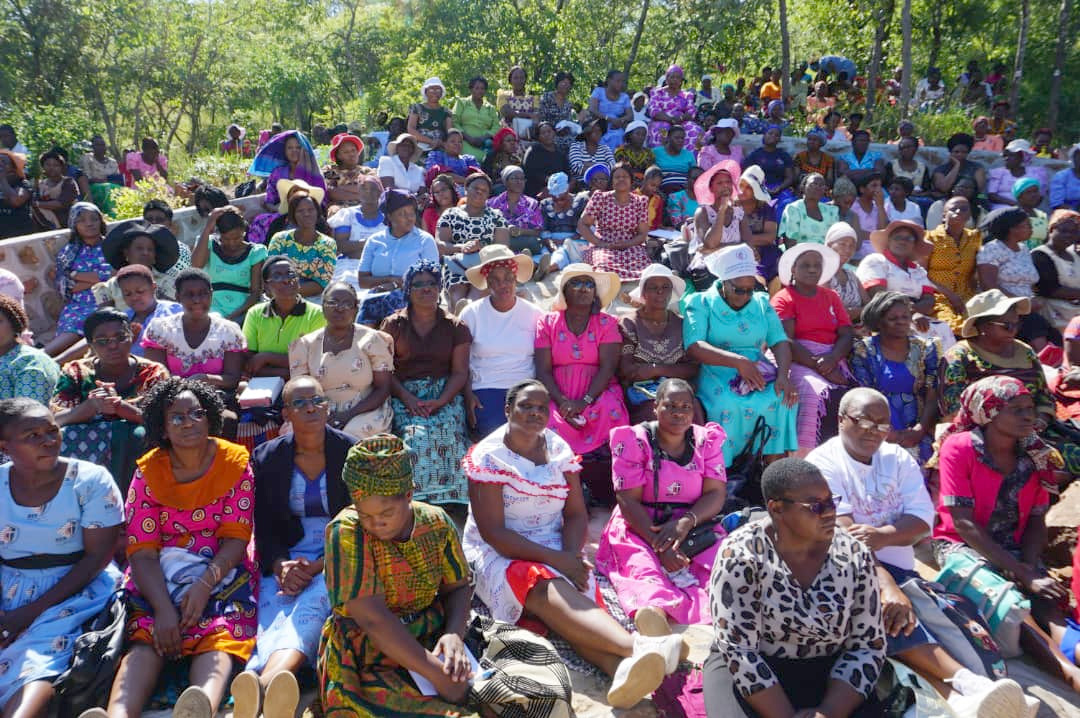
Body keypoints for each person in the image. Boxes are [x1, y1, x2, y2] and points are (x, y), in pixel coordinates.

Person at [463, 379, 685, 708]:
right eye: (526, 406)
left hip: (555, 543)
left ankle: (621, 670)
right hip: (497, 551)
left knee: (573, 604)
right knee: (542, 583)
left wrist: (568, 556)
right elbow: (495, 533)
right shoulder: (490, 457)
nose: (535, 413)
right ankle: (638, 646)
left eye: (542, 408)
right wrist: (558, 561)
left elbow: (576, 515)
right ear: (508, 409)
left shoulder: (558, 450)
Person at [808, 389, 1031, 715]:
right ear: (841, 419)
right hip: (843, 571)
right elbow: (845, 539)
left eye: (883, 425)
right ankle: (965, 682)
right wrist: (886, 586)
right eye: (864, 421)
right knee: (877, 607)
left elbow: (922, 522)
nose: (874, 431)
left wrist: (881, 536)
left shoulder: (898, 458)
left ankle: (957, 697)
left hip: (901, 571)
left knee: (909, 616)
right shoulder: (821, 464)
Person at [98, 377, 258, 718]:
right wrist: (163, 609)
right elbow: (141, 549)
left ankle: (200, 708)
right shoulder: (148, 472)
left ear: (210, 417)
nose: (189, 423)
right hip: (157, 572)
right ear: (162, 427)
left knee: (218, 637)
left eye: (197, 413)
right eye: (177, 417)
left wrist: (203, 586)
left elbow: (236, 538)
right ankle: (117, 714)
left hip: (219, 569)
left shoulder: (234, 463)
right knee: (147, 638)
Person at [702, 458, 886, 718]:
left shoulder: (854, 553)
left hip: (831, 673)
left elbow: (867, 646)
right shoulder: (740, 555)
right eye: (815, 506)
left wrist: (829, 712)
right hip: (752, 669)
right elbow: (738, 650)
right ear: (776, 509)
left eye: (831, 501)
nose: (830, 512)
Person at [930, 376, 1080, 693]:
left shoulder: (1035, 452)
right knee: (1012, 606)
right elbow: (963, 524)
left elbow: (1038, 518)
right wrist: (1022, 573)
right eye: (1017, 410)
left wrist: (1029, 568)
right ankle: (1070, 676)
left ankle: (1073, 651)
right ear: (989, 413)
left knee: (1048, 603)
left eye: (1030, 408)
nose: (1030, 416)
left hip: (1016, 547)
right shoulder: (960, 448)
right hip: (962, 545)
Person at [231, 377, 355, 718]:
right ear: (286, 413)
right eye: (299, 403)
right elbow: (265, 521)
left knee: (315, 601)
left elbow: (361, 520)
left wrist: (318, 566)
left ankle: (265, 682)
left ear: (327, 405)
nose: (310, 408)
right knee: (276, 606)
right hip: (289, 551)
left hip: (340, 548)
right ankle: (265, 684)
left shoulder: (350, 451)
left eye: (316, 400)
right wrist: (280, 564)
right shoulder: (268, 456)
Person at [0, 398, 122, 718]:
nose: (48, 440)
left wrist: (30, 612)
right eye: (33, 436)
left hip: (74, 587)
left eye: (52, 431)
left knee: (35, 661)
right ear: (5, 446)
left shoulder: (90, 481)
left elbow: (97, 557)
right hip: (7, 585)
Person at [595, 377, 725, 627]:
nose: (679, 414)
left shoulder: (706, 441)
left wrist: (685, 523)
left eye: (685, 407)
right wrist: (662, 548)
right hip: (640, 525)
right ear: (655, 407)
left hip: (692, 523)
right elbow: (627, 501)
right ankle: (656, 624)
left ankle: (719, 621)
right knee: (645, 575)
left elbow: (716, 493)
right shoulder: (633, 440)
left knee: (719, 571)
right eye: (670, 406)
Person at [684, 244, 798, 462]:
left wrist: (783, 375)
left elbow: (780, 341)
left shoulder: (762, 302)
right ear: (724, 283)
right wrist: (737, 362)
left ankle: (769, 468)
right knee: (727, 404)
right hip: (717, 368)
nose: (746, 295)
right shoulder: (700, 303)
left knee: (783, 396)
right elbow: (694, 345)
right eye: (739, 290)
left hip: (758, 370)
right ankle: (723, 471)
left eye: (750, 289)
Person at [380, 261, 472, 511]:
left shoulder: (455, 327)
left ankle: (453, 500)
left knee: (449, 431)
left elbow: (460, 372)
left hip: (444, 393)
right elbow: (386, 371)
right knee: (414, 438)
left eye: (432, 283)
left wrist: (440, 401)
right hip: (404, 393)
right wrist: (408, 398)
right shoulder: (394, 325)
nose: (426, 289)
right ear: (408, 290)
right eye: (418, 284)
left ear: (440, 287)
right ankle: (418, 501)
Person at [51, 308, 168, 492]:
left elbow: (161, 420)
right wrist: (92, 406)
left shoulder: (152, 372)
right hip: (86, 442)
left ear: (133, 336)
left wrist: (118, 406)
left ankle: (133, 500)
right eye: (102, 341)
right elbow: (56, 419)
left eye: (120, 337)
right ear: (90, 345)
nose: (113, 346)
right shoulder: (75, 371)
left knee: (139, 435)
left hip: (135, 443)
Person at [533, 265, 629, 458]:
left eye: (589, 284)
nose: (584, 288)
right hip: (558, 394)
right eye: (576, 283)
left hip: (597, 391)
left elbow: (608, 368)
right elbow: (543, 370)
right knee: (547, 418)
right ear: (565, 291)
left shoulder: (607, 323)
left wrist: (584, 401)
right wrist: (563, 402)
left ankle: (605, 468)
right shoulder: (547, 323)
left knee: (610, 408)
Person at [771, 243, 853, 454]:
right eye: (805, 265)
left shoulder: (831, 296)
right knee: (817, 393)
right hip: (797, 358)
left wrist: (832, 359)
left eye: (817, 265)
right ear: (793, 269)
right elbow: (785, 341)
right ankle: (806, 455)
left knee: (854, 395)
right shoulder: (784, 298)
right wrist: (820, 366)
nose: (812, 269)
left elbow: (846, 333)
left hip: (831, 357)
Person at [289, 282, 393, 439]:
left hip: (364, 410)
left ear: (356, 309)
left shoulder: (372, 340)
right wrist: (323, 415)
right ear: (323, 307)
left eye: (347, 303)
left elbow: (383, 388)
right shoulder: (306, 345)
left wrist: (347, 415)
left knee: (350, 436)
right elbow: (299, 392)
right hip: (317, 411)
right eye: (332, 302)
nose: (339, 308)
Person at [459, 246, 544, 437]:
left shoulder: (535, 314)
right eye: (495, 280)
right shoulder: (471, 313)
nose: (503, 285)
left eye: (508, 278)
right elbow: (461, 362)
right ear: (488, 283)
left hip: (525, 386)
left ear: (516, 280)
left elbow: (543, 361)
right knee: (494, 436)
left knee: (527, 436)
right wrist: (467, 395)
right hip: (485, 387)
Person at [849, 292, 939, 462]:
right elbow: (864, 395)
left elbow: (932, 394)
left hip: (919, 426)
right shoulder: (864, 351)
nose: (901, 321)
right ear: (879, 323)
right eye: (893, 318)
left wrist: (920, 430)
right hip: (876, 426)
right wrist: (887, 432)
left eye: (905, 316)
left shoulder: (926, 349)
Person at [856, 219, 954, 350]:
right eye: (898, 237)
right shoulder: (876, 260)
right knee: (917, 333)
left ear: (914, 245)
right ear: (889, 241)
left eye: (909, 238)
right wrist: (910, 314)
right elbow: (878, 295)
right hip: (885, 316)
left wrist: (914, 312)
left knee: (943, 328)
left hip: (914, 315)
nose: (903, 241)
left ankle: (945, 369)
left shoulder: (918, 270)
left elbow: (929, 299)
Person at [142, 268, 247, 391]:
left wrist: (204, 379)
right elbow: (156, 376)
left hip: (217, 399)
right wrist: (183, 386)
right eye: (189, 294)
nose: (197, 300)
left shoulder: (228, 331)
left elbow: (232, 379)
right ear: (177, 297)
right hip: (171, 400)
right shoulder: (160, 329)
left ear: (211, 294)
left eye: (203, 293)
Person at [619, 266, 699, 424]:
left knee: (692, 407)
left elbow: (692, 368)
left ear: (671, 291)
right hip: (641, 394)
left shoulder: (682, 323)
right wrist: (673, 371)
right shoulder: (629, 323)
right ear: (643, 293)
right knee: (657, 411)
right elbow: (626, 370)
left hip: (678, 391)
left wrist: (655, 369)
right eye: (653, 288)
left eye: (665, 287)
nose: (660, 292)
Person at [354, 188, 440, 325]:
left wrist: (398, 285)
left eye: (412, 213)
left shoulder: (425, 240)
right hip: (377, 296)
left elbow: (433, 279)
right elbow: (363, 281)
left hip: (415, 296)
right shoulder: (374, 241)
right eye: (402, 214)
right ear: (389, 216)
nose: (410, 218)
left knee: (394, 308)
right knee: (368, 306)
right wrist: (387, 281)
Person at [44, 203, 113, 358]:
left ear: (100, 221)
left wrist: (74, 274)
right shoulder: (68, 253)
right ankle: (45, 356)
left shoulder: (112, 246)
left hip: (106, 301)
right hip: (77, 305)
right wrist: (96, 277)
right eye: (82, 220)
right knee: (74, 327)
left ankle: (54, 359)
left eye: (94, 219)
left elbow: (113, 276)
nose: (89, 223)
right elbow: (66, 287)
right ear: (74, 224)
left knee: (97, 325)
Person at [242, 256, 326, 380]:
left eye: (290, 274)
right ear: (266, 285)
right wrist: (290, 370)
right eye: (277, 276)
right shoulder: (255, 313)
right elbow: (249, 363)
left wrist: (267, 357)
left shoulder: (316, 314)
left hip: (304, 385)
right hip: (262, 384)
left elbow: (315, 362)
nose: (286, 280)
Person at [436, 172, 511, 310]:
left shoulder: (496, 216)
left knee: (477, 296)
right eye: (475, 188)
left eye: (484, 190)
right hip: (457, 265)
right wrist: (462, 247)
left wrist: (481, 247)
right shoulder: (450, 214)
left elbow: (503, 247)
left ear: (488, 195)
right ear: (466, 189)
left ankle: (468, 314)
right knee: (457, 295)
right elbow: (440, 244)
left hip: (485, 266)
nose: (479, 192)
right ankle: (460, 316)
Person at [247, 130, 326, 245]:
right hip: (281, 211)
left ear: (304, 150)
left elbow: (321, 202)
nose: (294, 151)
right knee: (260, 220)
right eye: (290, 148)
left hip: (307, 212)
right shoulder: (277, 173)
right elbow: (270, 199)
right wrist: (278, 209)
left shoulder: (313, 172)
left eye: (298, 148)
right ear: (285, 151)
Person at [192, 206, 267, 324]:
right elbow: (196, 266)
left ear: (244, 231)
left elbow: (255, 292)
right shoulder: (209, 244)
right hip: (211, 306)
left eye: (237, 238)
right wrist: (207, 229)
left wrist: (233, 317)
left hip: (243, 309)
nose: (232, 243)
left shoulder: (255, 252)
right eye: (226, 239)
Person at [577, 163, 650, 280]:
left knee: (642, 267)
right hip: (604, 244)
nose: (621, 179)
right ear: (612, 181)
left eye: (625, 176)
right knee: (603, 267)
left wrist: (626, 244)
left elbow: (642, 234)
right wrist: (600, 243)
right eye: (617, 177)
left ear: (631, 181)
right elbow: (583, 224)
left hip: (631, 245)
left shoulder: (640, 201)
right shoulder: (600, 197)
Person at [923, 196, 982, 335]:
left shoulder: (975, 238)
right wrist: (950, 295)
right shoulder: (929, 238)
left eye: (964, 209)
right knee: (952, 327)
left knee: (981, 326)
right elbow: (920, 274)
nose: (958, 211)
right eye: (953, 208)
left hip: (967, 296)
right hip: (937, 296)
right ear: (944, 216)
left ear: (969, 216)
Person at [96, 219, 184, 307]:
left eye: (150, 249)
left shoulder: (168, 283)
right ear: (126, 253)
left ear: (155, 256)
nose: (145, 253)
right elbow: (106, 317)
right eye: (139, 248)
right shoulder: (110, 287)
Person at [267, 190, 338, 299]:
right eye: (300, 211)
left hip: (312, 298)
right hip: (277, 296)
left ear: (317, 212)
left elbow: (320, 284)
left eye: (311, 210)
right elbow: (269, 273)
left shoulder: (327, 244)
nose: (306, 214)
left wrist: (286, 292)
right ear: (293, 215)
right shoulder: (280, 239)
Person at [487, 165, 549, 279]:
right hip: (504, 244)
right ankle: (531, 268)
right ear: (505, 181)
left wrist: (520, 231)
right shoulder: (492, 203)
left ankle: (531, 267)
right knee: (500, 245)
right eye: (515, 178)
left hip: (526, 242)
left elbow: (538, 231)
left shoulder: (532, 203)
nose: (519, 182)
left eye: (522, 179)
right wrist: (506, 230)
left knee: (535, 247)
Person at [976, 207, 1039, 310]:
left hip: (1027, 308)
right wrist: (1020, 303)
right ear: (1012, 228)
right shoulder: (992, 249)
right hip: (1003, 310)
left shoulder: (1024, 249)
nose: (1031, 229)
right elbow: (989, 286)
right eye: (1028, 225)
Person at [113, 265, 182, 358]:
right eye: (127, 294)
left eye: (140, 291)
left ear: (153, 287)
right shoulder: (122, 320)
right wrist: (128, 340)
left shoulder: (174, 311)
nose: (134, 297)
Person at [689, 160, 749, 264]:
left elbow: (748, 244)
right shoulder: (702, 212)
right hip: (708, 265)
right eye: (720, 183)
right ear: (711, 188)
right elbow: (709, 245)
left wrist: (719, 248)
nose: (725, 186)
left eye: (728, 182)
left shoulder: (738, 212)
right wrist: (722, 210)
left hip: (735, 262)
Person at [1033, 210, 1080, 332]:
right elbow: (1051, 289)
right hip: (1054, 315)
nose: (1069, 235)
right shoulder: (1040, 255)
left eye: (1074, 232)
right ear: (1051, 229)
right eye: (1064, 231)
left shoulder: (1074, 254)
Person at [742, 126, 796, 218]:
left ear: (779, 139)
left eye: (777, 135)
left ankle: (780, 230)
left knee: (788, 203)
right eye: (770, 133)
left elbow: (790, 177)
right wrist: (760, 187)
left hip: (780, 188)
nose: (773, 136)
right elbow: (746, 175)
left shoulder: (783, 155)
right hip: (758, 187)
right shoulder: (755, 155)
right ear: (764, 135)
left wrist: (779, 188)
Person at [541, 172, 590, 269]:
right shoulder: (545, 204)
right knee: (544, 254)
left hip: (575, 242)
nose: (558, 202)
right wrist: (550, 244)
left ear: (568, 188)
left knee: (564, 251)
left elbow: (585, 227)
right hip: (552, 242)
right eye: (554, 199)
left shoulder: (581, 201)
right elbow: (544, 229)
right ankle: (539, 267)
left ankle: (548, 268)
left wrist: (564, 241)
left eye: (562, 198)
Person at [647, 65, 703, 150]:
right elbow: (654, 111)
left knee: (694, 130)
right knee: (662, 129)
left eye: (678, 78)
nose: (675, 80)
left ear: (681, 80)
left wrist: (680, 118)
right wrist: (670, 119)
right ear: (666, 78)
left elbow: (691, 112)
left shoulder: (687, 95)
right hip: (663, 120)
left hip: (681, 121)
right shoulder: (657, 93)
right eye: (672, 77)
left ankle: (690, 159)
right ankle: (661, 159)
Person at [778, 172, 839, 247]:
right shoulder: (794, 209)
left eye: (822, 185)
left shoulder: (831, 211)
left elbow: (835, 240)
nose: (818, 187)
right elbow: (790, 243)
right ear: (803, 187)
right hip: (798, 254)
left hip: (825, 254)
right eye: (814, 184)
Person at [823, 222, 867, 324]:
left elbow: (871, 305)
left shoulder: (852, 275)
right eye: (842, 244)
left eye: (852, 246)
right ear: (829, 245)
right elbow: (832, 311)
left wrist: (855, 312)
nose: (847, 250)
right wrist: (860, 311)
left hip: (858, 328)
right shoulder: (822, 274)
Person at [988, 140, 1044, 210]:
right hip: (1001, 209)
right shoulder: (998, 173)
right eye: (1005, 156)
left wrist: (1028, 208)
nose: (1006, 158)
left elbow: (1040, 196)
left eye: (1011, 155)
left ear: (1021, 157)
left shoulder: (1035, 173)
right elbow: (992, 195)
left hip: (1028, 209)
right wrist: (1016, 205)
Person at [453, 76, 500, 158]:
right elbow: (454, 121)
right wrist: (469, 138)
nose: (480, 91)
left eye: (482, 88)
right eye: (477, 88)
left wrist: (484, 138)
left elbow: (497, 126)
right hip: (464, 142)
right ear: (471, 89)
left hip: (485, 145)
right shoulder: (462, 103)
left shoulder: (490, 108)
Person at [321, 133, 368, 215]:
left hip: (365, 209)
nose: (351, 154)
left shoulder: (366, 171)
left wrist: (341, 188)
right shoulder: (331, 170)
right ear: (338, 155)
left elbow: (373, 191)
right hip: (339, 211)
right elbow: (331, 192)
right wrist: (361, 193)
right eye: (346, 152)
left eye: (353, 150)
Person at [30, 149, 78, 230]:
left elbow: (61, 204)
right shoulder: (40, 184)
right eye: (48, 165)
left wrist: (38, 204)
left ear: (61, 167)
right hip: (43, 226)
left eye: (56, 165)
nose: (51, 168)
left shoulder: (68, 183)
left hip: (67, 224)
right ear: (43, 167)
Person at [522, 121, 571, 197]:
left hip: (558, 188)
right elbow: (528, 171)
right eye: (543, 133)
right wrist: (547, 179)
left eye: (549, 131)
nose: (547, 135)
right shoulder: (533, 150)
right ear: (538, 137)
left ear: (554, 133)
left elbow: (567, 172)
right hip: (536, 189)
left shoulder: (560, 153)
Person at [588, 70, 633, 150]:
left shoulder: (624, 97)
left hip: (617, 126)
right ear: (609, 81)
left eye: (622, 81)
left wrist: (619, 120)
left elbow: (630, 116)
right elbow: (592, 109)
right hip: (599, 124)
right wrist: (609, 119)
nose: (621, 84)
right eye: (618, 81)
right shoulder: (598, 91)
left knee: (619, 136)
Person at [933, 133, 987, 199]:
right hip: (948, 200)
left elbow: (981, 190)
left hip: (972, 199)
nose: (960, 155)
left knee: (983, 198)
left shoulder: (977, 168)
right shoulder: (940, 170)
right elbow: (944, 188)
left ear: (968, 153)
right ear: (950, 152)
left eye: (964, 152)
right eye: (956, 152)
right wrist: (957, 166)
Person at [407, 77, 452, 149]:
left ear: (441, 92)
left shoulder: (446, 111)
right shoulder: (417, 108)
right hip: (419, 147)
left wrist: (443, 144)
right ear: (426, 92)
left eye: (438, 89)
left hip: (440, 147)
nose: (434, 92)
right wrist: (431, 141)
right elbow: (411, 129)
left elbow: (450, 133)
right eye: (431, 89)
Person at [497, 65, 540, 140]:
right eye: (515, 78)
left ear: (525, 80)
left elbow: (537, 117)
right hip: (508, 138)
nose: (519, 81)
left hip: (529, 137)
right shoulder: (503, 96)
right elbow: (507, 113)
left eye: (522, 78)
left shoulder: (534, 99)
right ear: (510, 80)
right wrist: (529, 115)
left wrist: (518, 115)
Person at [539, 71, 577, 154]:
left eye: (568, 83)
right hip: (548, 133)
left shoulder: (568, 103)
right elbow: (541, 118)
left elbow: (569, 121)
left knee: (578, 142)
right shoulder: (547, 97)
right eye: (563, 82)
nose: (565, 85)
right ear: (557, 83)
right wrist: (554, 130)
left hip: (564, 135)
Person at [569, 118, 616, 183]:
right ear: (586, 134)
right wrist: (602, 166)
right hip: (582, 185)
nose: (599, 133)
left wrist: (587, 165)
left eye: (600, 131)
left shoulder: (605, 148)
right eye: (595, 131)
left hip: (603, 185)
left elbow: (612, 167)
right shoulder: (577, 146)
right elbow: (576, 167)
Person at [0, 148, 33, 239]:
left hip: (18, 236)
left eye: (3, 162)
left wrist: (2, 179)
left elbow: (16, 201)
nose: (0, 164)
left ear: (13, 168)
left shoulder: (23, 184)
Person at [652, 125, 696, 192]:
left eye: (682, 138)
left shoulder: (689, 155)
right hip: (662, 190)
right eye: (677, 138)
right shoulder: (656, 152)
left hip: (684, 192)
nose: (680, 141)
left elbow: (694, 175)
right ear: (668, 138)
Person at [1015, 177, 1049, 247]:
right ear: (1019, 196)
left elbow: (1046, 241)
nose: (1034, 195)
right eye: (1028, 192)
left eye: (1036, 191)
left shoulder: (1042, 215)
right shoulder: (1010, 215)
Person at [1050, 144, 1080, 211]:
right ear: (1074, 158)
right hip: (1068, 216)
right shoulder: (1061, 176)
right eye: (1079, 156)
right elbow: (1057, 204)